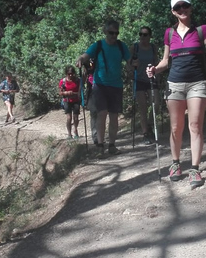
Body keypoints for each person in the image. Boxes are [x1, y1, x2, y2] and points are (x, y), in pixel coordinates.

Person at [146, 0, 206, 188]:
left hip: (197, 83)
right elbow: (166, 60)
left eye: (185, 6)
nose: (182, 10)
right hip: (174, 84)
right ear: (173, 11)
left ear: (190, 8)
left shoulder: (202, 30)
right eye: (178, 7)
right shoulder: (169, 33)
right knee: (175, 127)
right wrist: (155, 69)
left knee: (195, 126)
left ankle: (195, 169)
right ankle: (175, 164)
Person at [77, 20, 131, 156]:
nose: (114, 35)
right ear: (105, 32)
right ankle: (100, 146)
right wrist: (81, 59)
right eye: (111, 33)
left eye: (116, 33)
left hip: (116, 85)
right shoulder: (98, 45)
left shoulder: (121, 46)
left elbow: (129, 60)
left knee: (114, 116)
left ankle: (112, 145)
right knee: (102, 114)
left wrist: (134, 64)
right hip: (100, 85)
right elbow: (86, 55)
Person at [130, 26, 159, 145]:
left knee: (156, 103)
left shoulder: (153, 47)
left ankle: (150, 125)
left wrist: (158, 74)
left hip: (151, 79)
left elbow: (157, 61)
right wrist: (131, 70)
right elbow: (129, 62)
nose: (142, 37)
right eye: (140, 34)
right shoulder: (135, 47)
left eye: (145, 34)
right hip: (139, 80)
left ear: (150, 36)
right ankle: (145, 133)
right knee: (142, 107)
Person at [58, 66, 81, 139]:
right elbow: (61, 93)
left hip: (76, 100)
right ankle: (69, 134)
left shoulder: (78, 81)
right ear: (66, 73)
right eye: (69, 74)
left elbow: (80, 92)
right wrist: (67, 93)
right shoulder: (63, 81)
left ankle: (75, 130)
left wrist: (74, 93)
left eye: (72, 73)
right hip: (67, 101)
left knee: (76, 117)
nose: (71, 75)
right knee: (69, 118)